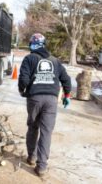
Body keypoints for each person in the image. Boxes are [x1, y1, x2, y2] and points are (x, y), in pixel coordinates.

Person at [18, 33, 71, 177]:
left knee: (33, 127)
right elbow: (66, 79)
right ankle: (41, 167)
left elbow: (23, 79)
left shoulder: (29, 58)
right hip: (51, 101)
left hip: (34, 99)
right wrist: (67, 95)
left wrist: (22, 91)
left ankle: (31, 157)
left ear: (31, 45)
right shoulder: (55, 61)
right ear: (44, 44)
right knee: (46, 132)